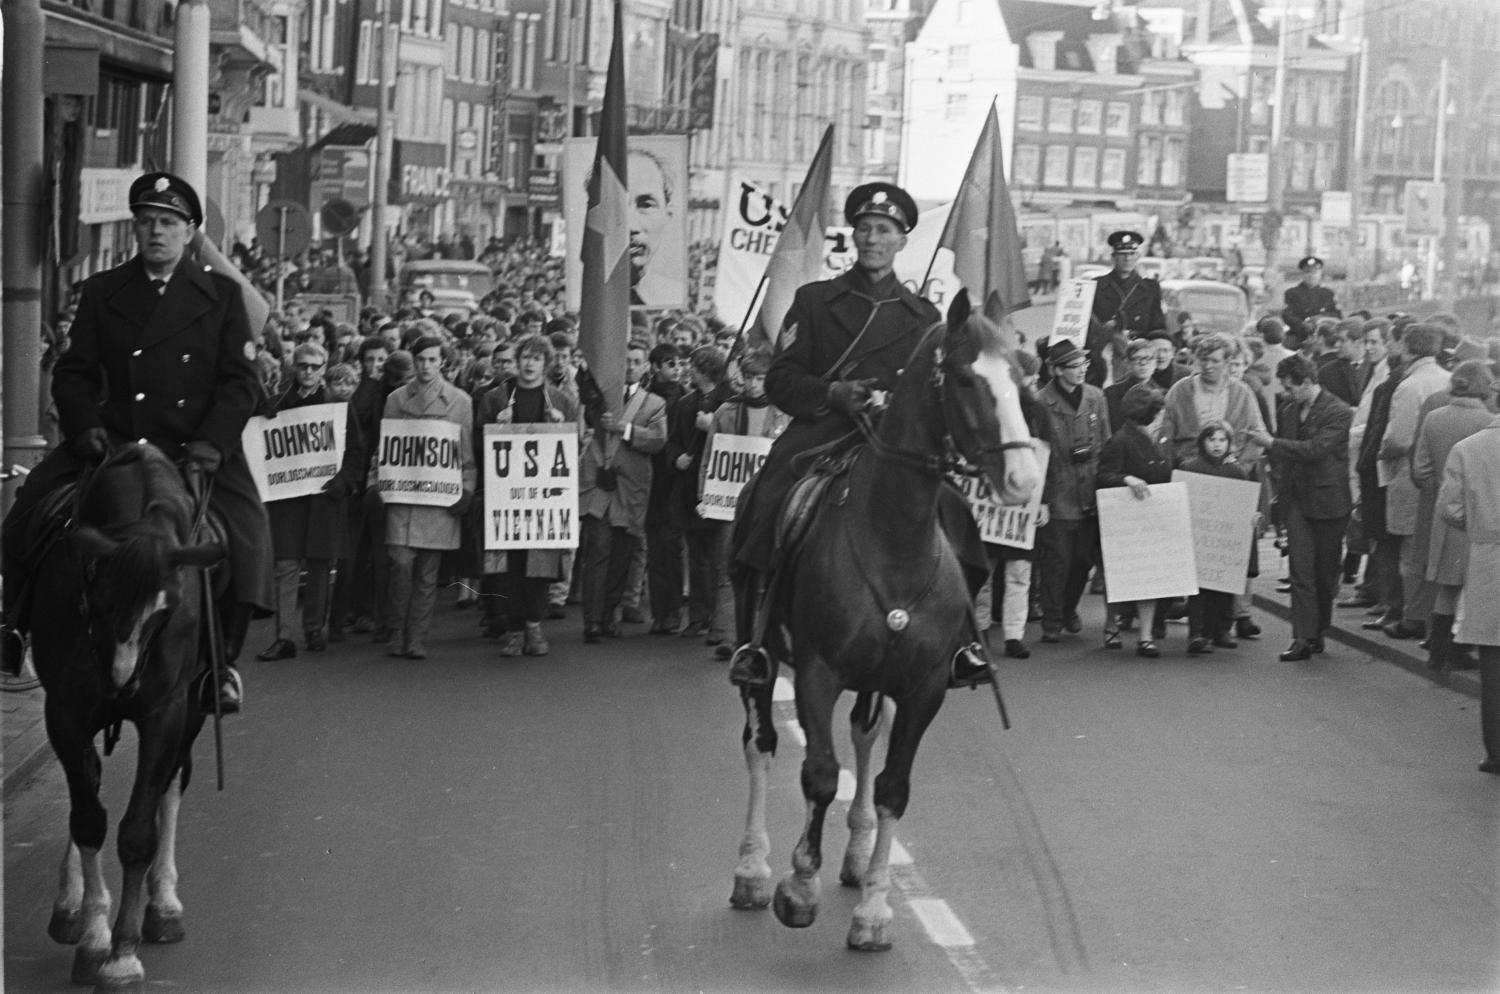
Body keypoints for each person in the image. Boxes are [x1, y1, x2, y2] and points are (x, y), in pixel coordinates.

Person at [0, 171, 270, 712]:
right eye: (146, 222)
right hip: (115, 443)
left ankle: (221, 667)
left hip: (193, 450)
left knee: (249, 535)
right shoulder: (104, 290)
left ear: (189, 231)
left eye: (168, 223)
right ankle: (14, 627)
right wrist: (85, 427)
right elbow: (73, 372)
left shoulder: (220, 295)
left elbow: (240, 384)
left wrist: (212, 443)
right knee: (27, 514)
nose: (156, 232)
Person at [727, 182, 995, 690]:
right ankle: (755, 641)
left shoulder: (923, 317)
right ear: (853, 235)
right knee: (767, 499)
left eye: (886, 231)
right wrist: (833, 394)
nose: (874, 239)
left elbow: (937, 394)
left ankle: (961, 641)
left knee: (956, 513)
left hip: (895, 446)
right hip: (821, 435)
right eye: (866, 228)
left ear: (902, 241)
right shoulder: (813, 300)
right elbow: (783, 379)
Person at [478, 333, 580, 656]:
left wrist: (564, 427)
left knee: (540, 563)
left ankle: (533, 626)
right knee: (511, 565)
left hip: (544, 498)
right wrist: (497, 426)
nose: (530, 364)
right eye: (525, 357)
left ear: (546, 364)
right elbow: (478, 445)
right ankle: (513, 630)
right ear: (517, 360)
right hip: (505, 496)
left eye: (537, 358)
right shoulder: (495, 399)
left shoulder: (561, 402)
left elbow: (575, 450)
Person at [1247, 355, 1353, 662]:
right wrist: (1281, 496)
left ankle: (1318, 629)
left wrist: (1270, 443)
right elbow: (1287, 459)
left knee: (1324, 574)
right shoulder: (1289, 410)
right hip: (1297, 502)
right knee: (1300, 571)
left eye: (1291, 386)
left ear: (1308, 383)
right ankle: (1303, 638)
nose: (1286, 392)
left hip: (1330, 503)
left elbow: (1316, 450)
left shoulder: (1339, 411)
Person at [381, 336, 477, 659]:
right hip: (404, 495)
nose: (426, 366)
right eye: (420, 359)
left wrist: (466, 489)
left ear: (442, 363)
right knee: (400, 564)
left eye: (433, 360)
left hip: (438, 498)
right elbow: (386, 450)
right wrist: (376, 483)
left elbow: (465, 455)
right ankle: (396, 628)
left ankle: (415, 637)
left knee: (427, 572)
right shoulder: (395, 399)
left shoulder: (460, 402)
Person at [256, 342, 350, 659]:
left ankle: (312, 628)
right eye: (303, 366)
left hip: (324, 496)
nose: (308, 372)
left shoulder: (337, 405)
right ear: (293, 368)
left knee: (320, 563)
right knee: (285, 564)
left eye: (314, 366)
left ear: (324, 369)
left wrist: (343, 482)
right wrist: (263, 418)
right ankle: (284, 636)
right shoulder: (277, 404)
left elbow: (356, 452)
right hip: (288, 499)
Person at [578, 340, 668, 643]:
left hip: (630, 489)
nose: (630, 366)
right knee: (598, 551)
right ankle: (592, 620)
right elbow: (585, 393)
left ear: (645, 367)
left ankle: (608, 614)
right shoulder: (602, 396)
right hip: (601, 485)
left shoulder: (654, 403)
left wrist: (625, 429)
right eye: (625, 360)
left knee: (621, 555)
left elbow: (657, 439)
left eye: (636, 361)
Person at [1413, 360, 1495, 672]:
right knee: (1476, 588)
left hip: (1444, 513)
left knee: (1447, 587)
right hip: (1481, 517)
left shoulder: (1434, 418)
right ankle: (1462, 650)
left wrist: (1439, 488)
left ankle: (1438, 652)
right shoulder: (1488, 423)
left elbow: (1420, 469)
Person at [1436, 406, 1500, 774]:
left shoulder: (1468, 448)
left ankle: (1495, 751)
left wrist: (1478, 523)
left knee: (1492, 662)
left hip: (1488, 557)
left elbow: (1450, 508)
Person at [1034, 338, 1111, 644]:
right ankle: (1052, 618)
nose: (1081, 371)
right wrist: (1040, 500)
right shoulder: (1040, 402)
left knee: (1082, 560)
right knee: (1056, 559)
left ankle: (1068, 608)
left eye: (1084, 365)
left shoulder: (1095, 397)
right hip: (1058, 489)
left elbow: (1105, 442)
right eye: (1074, 366)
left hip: (1090, 489)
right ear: (1056, 370)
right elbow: (1035, 453)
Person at [1377, 324, 1451, 641]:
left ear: (1407, 348)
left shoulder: (1410, 386)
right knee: (1436, 553)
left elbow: (1398, 437)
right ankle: (1431, 617)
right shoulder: (1448, 379)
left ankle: (1412, 616)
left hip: (1411, 475)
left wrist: (1382, 452)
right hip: (1444, 477)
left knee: (1410, 553)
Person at [1096, 383, 1174, 657]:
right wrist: (1125, 478)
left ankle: (1145, 636)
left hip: (1154, 517)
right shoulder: (1120, 440)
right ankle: (1111, 624)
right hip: (1125, 520)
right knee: (1118, 575)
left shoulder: (1161, 440)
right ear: (1152, 414)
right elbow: (1103, 475)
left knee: (1149, 574)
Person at [669, 346, 735, 645]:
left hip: (719, 492)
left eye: (691, 365)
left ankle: (717, 619)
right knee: (697, 558)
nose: (687, 370)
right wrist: (677, 458)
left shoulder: (730, 403)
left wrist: (712, 429)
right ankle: (697, 617)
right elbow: (672, 442)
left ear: (703, 369)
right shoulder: (685, 404)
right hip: (691, 490)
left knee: (717, 559)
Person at [1178, 422, 1255, 654]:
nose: (1217, 445)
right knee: (1199, 591)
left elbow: (1244, 505)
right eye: (1212, 440)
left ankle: (1222, 630)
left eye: (1222, 440)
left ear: (1229, 444)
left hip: (1225, 544)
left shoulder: (1237, 472)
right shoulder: (1190, 469)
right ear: (1203, 442)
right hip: (1199, 542)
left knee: (1224, 588)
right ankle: (1198, 633)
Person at [1086, 230, 1167, 388]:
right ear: (1113, 257)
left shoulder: (1150, 288)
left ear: (1137, 256)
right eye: (1122, 254)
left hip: (1139, 359)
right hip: (1104, 357)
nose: (1127, 258)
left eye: (1131, 253)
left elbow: (1158, 326)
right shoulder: (1097, 286)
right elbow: (1087, 327)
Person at [627, 146, 683, 307]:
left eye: (646, 205)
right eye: (616, 206)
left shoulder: (673, 295)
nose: (631, 226)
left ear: (668, 214)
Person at [1282, 256, 1341, 340]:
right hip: (1298, 335)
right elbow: (1286, 315)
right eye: (1307, 272)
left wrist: (1320, 318)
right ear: (1302, 274)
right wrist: (1302, 324)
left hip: (1323, 337)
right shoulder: (1291, 293)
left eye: (1314, 272)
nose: (1311, 275)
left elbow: (1337, 314)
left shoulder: (1328, 293)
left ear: (1320, 273)